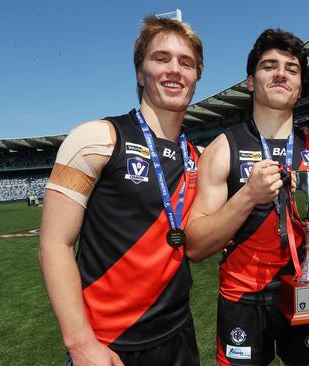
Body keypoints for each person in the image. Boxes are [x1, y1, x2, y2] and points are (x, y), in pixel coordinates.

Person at [185, 29, 309, 366]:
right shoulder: (223, 148)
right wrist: (248, 196)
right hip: (242, 300)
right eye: (269, 66)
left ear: (299, 85)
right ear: (251, 81)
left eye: (292, 69)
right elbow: (195, 246)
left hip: (307, 292)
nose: (281, 73)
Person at [39, 16, 203, 366]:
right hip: (108, 346)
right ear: (140, 74)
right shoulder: (95, 139)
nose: (175, 70)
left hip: (179, 339)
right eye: (161, 59)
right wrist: (81, 344)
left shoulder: (199, 159)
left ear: (196, 77)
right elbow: (55, 243)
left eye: (185, 62)